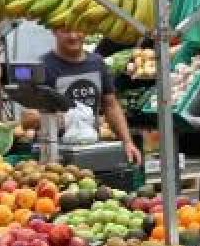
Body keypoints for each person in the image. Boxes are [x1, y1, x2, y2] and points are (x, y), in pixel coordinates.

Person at [40, 30, 141, 165]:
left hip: (91, 148)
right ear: (53, 31)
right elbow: (28, 116)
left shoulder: (97, 63)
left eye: (78, 30)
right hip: (56, 156)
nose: (73, 36)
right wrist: (51, 117)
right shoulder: (44, 66)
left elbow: (110, 105)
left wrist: (127, 142)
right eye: (65, 30)